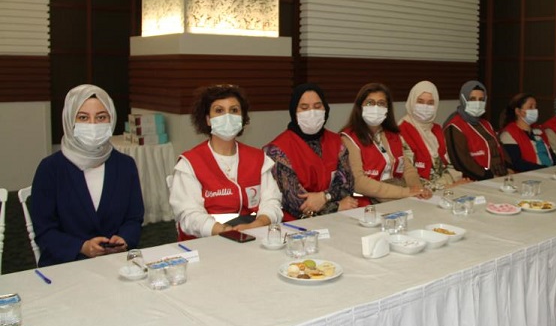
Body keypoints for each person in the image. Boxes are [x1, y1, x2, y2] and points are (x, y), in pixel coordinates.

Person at [31, 84, 144, 266]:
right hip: (65, 265)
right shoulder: (50, 168)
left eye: (101, 117)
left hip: (116, 263)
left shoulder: (125, 165)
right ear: (70, 120)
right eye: (83, 117)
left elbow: (134, 218)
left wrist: (124, 239)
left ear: (111, 119)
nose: (93, 125)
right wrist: (81, 247)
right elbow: (44, 231)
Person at [169, 84, 282, 240]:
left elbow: (272, 202)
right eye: (219, 110)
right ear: (208, 120)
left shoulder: (258, 158)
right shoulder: (190, 163)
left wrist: (258, 224)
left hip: (253, 235)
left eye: (234, 110)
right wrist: (224, 230)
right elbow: (189, 214)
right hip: (207, 241)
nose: (227, 116)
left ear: (242, 118)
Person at [265, 83, 359, 221]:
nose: (312, 112)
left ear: (325, 109)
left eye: (317, 106)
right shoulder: (277, 150)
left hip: (338, 220)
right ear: (294, 111)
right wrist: (336, 206)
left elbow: (348, 185)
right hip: (297, 225)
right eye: (304, 108)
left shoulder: (337, 141)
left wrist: (324, 197)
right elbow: (296, 203)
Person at [341, 82, 432, 205]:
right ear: (360, 106)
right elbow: (359, 183)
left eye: (381, 103)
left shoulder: (392, 135)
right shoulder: (348, 138)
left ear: (387, 109)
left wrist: (418, 189)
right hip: (366, 202)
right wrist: (405, 192)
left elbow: (407, 169)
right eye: (370, 103)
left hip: (397, 197)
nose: (375, 108)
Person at [398, 81, 466, 189]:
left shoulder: (436, 130)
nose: (425, 107)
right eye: (420, 102)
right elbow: (408, 177)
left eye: (430, 103)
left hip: (443, 187)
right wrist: (447, 186)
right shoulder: (400, 131)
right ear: (411, 101)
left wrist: (455, 181)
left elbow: (448, 164)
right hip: (419, 191)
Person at [443, 80, 508, 180]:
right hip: (475, 180)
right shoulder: (454, 126)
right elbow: (461, 162)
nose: (477, 103)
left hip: (499, 177)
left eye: (481, 99)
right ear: (463, 99)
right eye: (472, 99)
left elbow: (500, 149)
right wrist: (488, 175)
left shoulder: (486, 124)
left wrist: (508, 168)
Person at [500, 93, 556, 172]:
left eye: (535, 107)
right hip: (532, 174)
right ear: (518, 111)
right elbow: (517, 163)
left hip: (550, 172)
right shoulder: (508, 134)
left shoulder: (538, 131)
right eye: (530, 107)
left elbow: (551, 155)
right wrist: (545, 170)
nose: (535, 110)